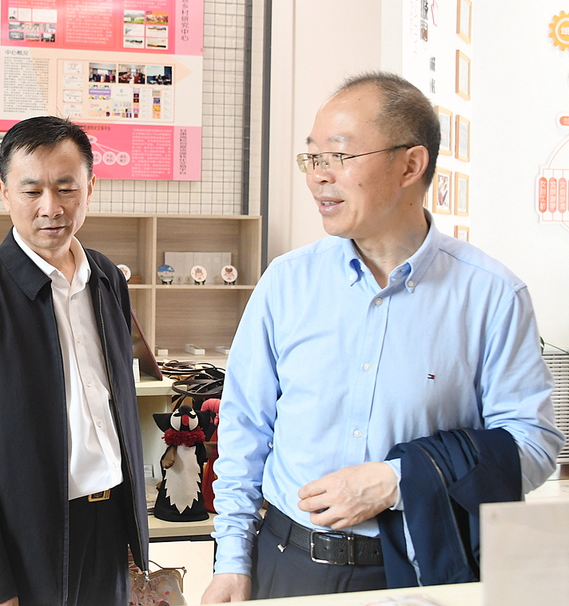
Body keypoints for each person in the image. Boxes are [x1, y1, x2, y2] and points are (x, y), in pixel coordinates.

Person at [202, 72, 565, 602]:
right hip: (287, 563)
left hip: (422, 569)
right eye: (312, 157)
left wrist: (396, 482)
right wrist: (232, 558)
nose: (319, 176)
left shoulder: (492, 294)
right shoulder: (286, 282)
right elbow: (244, 429)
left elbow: (534, 445)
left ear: (410, 165)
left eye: (340, 155)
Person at [0, 115, 149, 606]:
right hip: (28, 541)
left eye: (66, 188)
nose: (51, 207)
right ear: (4, 193)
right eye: (31, 191)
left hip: (109, 524)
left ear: (90, 187)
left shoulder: (107, 280)